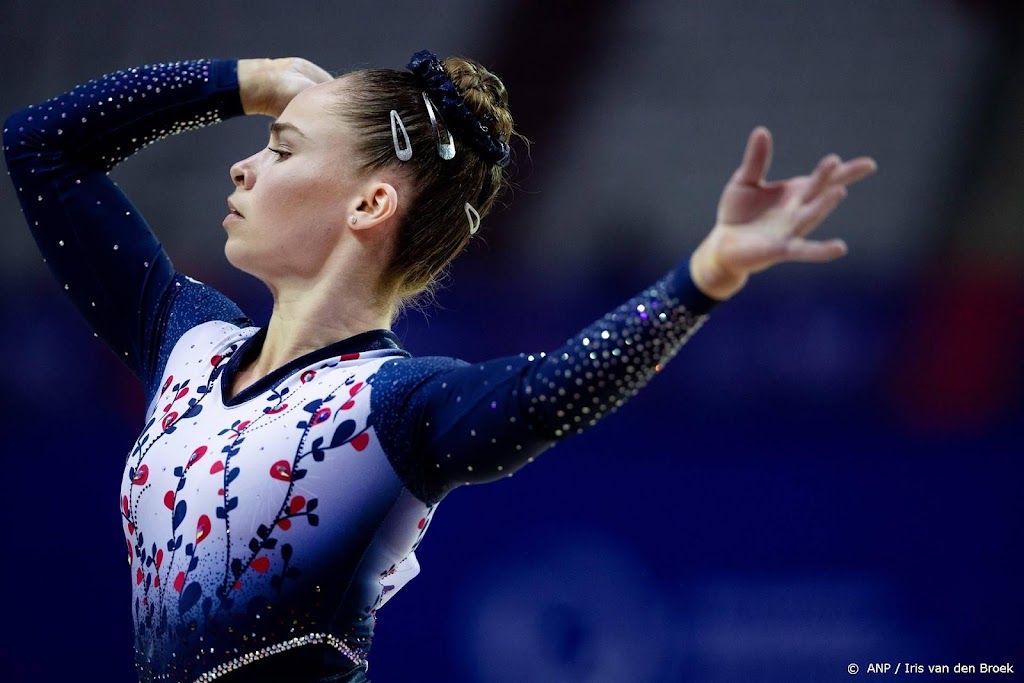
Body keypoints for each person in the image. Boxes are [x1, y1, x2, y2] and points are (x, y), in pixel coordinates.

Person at [3, 51, 875, 682]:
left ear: (371, 202)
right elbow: (37, 147)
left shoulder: (387, 406)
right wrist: (249, 80)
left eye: (280, 148)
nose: (243, 162)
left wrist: (706, 274)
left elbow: (551, 390)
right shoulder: (191, 344)